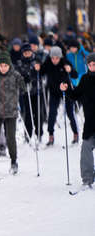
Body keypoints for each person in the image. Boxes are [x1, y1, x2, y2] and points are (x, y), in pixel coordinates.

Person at [60, 52, 95, 189]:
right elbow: (75, 95)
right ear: (87, 66)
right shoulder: (85, 79)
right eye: (90, 65)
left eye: (94, 64)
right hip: (90, 123)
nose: (93, 67)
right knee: (86, 147)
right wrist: (67, 89)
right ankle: (87, 179)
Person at [38, 46, 79, 146]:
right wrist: (38, 68)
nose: (54, 60)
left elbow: (75, 75)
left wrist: (70, 70)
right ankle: (51, 135)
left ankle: (75, 133)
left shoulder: (65, 62)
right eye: (53, 58)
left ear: (60, 57)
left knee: (70, 112)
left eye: (57, 58)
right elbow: (40, 73)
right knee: (52, 113)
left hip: (66, 90)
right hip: (54, 91)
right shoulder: (48, 63)